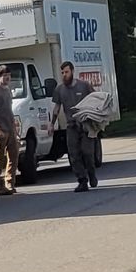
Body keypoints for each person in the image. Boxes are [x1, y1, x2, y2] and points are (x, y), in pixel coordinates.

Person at [53, 61, 97, 191]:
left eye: (66, 72)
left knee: (87, 152)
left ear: (72, 71)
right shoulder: (59, 90)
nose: (64, 75)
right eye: (62, 73)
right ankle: (82, 180)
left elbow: (95, 100)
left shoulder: (84, 86)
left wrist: (96, 117)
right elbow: (56, 108)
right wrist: (51, 124)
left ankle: (91, 173)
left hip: (86, 125)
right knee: (73, 155)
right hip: (71, 126)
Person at [0, 64, 21, 197]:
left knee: (13, 155)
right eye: (5, 75)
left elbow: (9, 110)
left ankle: (10, 183)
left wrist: (15, 128)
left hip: (10, 128)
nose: (8, 78)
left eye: (9, 75)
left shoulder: (7, 90)